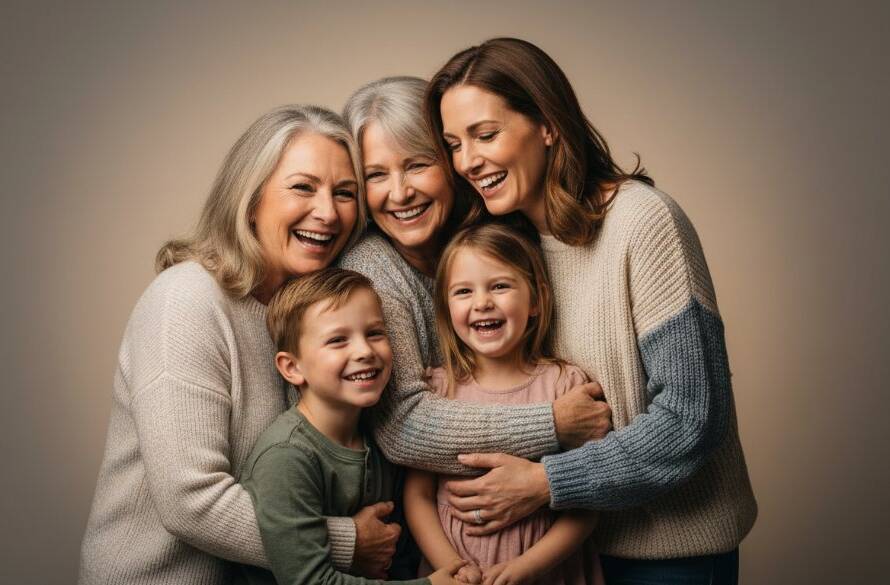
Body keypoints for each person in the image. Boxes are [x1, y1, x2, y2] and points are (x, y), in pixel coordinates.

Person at [425, 38, 758, 584]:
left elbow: (693, 415)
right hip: (565, 556)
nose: (467, 161)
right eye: (454, 144)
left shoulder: (644, 223)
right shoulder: (508, 248)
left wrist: (545, 483)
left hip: (670, 553)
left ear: (548, 125)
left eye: (486, 135)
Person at [79, 105, 398, 584]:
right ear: (251, 200)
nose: (328, 212)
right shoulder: (186, 301)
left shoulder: (309, 313)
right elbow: (192, 502)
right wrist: (348, 541)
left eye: (345, 193)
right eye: (302, 187)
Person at [338, 77, 613, 482]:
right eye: (376, 175)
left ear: (452, 160)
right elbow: (403, 428)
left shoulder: (499, 230)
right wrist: (552, 423)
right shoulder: (370, 270)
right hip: (431, 518)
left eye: (417, 164)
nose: (399, 194)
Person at [238, 267, 465, 585]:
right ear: (292, 367)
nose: (365, 351)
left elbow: (396, 555)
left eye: (374, 333)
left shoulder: (378, 439)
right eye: (337, 340)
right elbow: (310, 581)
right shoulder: (286, 456)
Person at [404, 223, 603, 585]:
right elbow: (417, 496)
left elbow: (588, 503)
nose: (482, 302)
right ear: (446, 311)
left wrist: (525, 569)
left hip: (547, 571)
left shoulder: (565, 387)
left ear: (536, 301)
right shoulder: (437, 390)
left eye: (500, 286)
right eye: (463, 291)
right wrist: (451, 566)